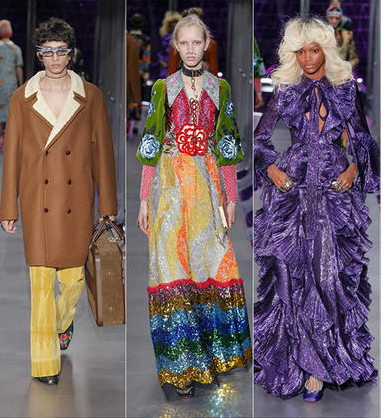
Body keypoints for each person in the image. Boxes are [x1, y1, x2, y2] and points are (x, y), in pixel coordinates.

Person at [253, 17, 378, 403]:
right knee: (293, 274)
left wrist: (354, 169)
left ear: (326, 49)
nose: (308, 58)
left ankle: (320, 365)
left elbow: (361, 138)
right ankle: (301, 361)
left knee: (328, 274)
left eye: (315, 49)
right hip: (293, 188)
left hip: (333, 191)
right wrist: (272, 170)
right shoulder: (286, 90)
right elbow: (259, 139)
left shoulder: (345, 89)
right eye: (301, 51)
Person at [135, 14, 251, 398]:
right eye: (183, 43)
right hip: (169, 188)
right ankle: (181, 367)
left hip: (206, 186)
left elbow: (227, 147)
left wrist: (230, 198)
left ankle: (210, 357)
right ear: (175, 46)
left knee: (208, 265)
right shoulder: (163, 89)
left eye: (196, 42)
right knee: (172, 268)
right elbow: (151, 145)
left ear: (206, 44)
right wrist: (143, 200)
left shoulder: (220, 89)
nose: (189, 49)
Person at [0, 17, 117, 385]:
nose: (54, 58)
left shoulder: (91, 97)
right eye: (47, 52)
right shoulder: (22, 98)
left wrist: (107, 206)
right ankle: (44, 363)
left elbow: (103, 154)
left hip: (75, 198)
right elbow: (12, 154)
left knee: (73, 281)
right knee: (40, 286)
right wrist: (8, 206)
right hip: (37, 198)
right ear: (38, 55)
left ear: (71, 53)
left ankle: (63, 324)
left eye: (60, 51)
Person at [167, 7, 218, 76]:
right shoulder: (176, 44)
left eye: (197, 43)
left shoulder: (211, 44)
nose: (190, 50)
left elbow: (213, 69)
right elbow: (172, 68)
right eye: (188, 20)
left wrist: (213, 82)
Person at [0, 19, 23, 149]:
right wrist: (21, 82)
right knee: (10, 110)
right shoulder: (16, 49)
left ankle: (0, 137)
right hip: (11, 84)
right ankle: (8, 137)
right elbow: (19, 67)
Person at [157, 11, 182, 80]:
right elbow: (159, 51)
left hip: (179, 67)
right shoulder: (164, 37)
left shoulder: (182, 37)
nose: (173, 24)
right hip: (166, 67)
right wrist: (161, 60)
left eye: (175, 22)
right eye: (172, 22)